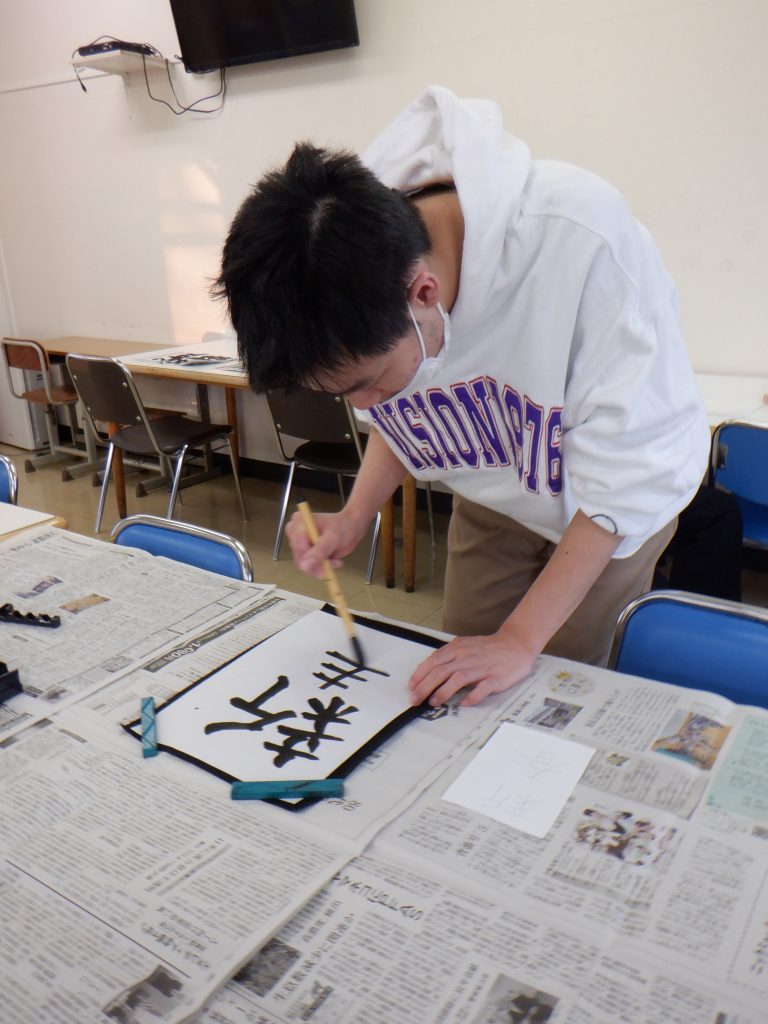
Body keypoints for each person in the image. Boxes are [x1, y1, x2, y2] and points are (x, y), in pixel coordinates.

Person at [215, 86, 709, 708]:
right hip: (497, 486)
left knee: (557, 681)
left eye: (367, 383)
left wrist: (520, 639)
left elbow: (626, 478)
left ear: (423, 294)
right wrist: (356, 514)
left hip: (607, 511)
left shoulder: (579, 239)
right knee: (457, 671)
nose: (365, 406)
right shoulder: (355, 268)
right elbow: (403, 409)